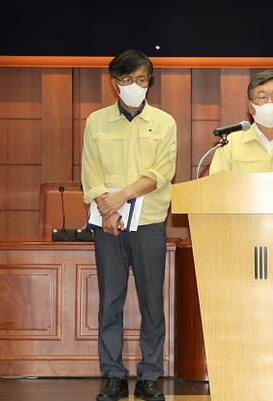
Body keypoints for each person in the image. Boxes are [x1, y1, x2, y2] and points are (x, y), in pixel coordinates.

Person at [81, 49, 177, 401]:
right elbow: (90, 171)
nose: (134, 85)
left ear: (149, 82)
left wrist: (120, 197)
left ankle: (149, 376)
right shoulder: (96, 121)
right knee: (110, 301)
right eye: (126, 79)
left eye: (140, 79)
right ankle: (114, 376)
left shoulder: (164, 122)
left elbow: (161, 172)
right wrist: (107, 210)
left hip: (149, 223)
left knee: (152, 301)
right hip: (107, 225)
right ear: (114, 83)